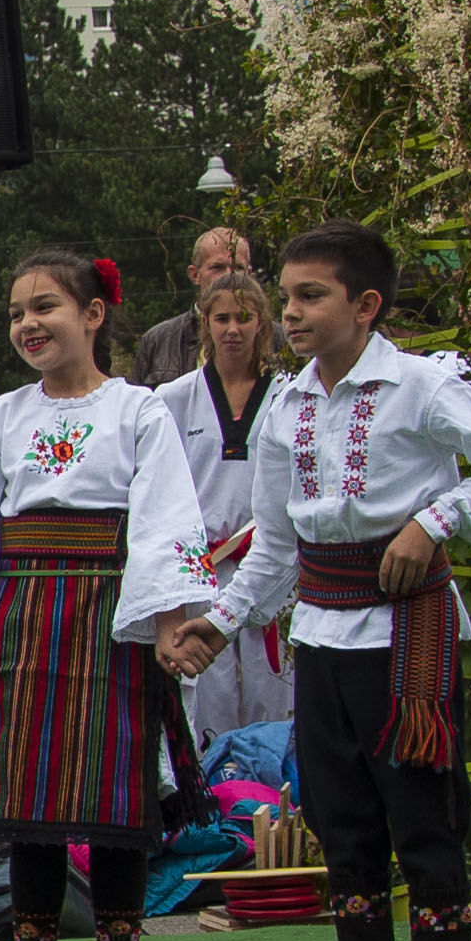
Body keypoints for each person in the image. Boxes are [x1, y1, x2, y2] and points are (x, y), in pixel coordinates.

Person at [173, 222, 471, 941]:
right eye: (288, 297)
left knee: (423, 815)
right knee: (340, 819)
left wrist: (436, 520)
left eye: (312, 296)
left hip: (407, 628)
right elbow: (273, 545)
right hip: (321, 629)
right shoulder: (287, 401)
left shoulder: (423, 385)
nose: (292, 313)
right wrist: (218, 622)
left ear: (366, 304)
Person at [0, 251, 213, 941]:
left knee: (117, 796)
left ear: (93, 314)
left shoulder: (139, 411)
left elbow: (165, 518)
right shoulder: (4, 418)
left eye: (45, 306)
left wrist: (168, 621)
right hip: (22, 613)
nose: (28, 324)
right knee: (31, 802)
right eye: (16, 313)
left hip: (114, 614)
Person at [160, 271, 292, 740]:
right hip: (201, 566)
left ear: (263, 324)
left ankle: (277, 800)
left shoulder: (289, 396)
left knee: (274, 691)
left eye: (244, 317)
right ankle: (212, 795)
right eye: (222, 318)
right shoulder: (172, 399)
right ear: (205, 323)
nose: (232, 329)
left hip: (269, 563)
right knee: (206, 693)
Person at [129, 227, 256, 384]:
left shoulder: (274, 339)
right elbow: (136, 406)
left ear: (249, 275)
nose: (228, 276)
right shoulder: (158, 341)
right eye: (217, 267)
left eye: (237, 268)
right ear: (195, 275)